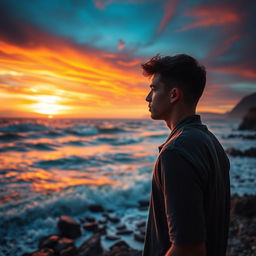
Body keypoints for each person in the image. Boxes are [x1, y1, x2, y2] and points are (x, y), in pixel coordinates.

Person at [141, 54, 230, 256]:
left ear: (173, 95)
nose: (147, 97)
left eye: (154, 89)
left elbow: (189, 248)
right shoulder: (211, 143)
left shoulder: (176, 152)